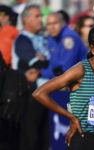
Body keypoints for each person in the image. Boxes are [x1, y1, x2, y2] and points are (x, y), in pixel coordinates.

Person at [33, 24, 94, 150]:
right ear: (93, 49)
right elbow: (39, 93)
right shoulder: (80, 70)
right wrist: (71, 117)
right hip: (83, 140)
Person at [12, 4, 50, 150]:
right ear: (26, 19)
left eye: (41, 16)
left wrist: (45, 61)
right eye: (37, 16)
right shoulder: (22, 40)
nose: (42, 20)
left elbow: (49, 62)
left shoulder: (42, 38)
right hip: (29, 94)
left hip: (45, 93)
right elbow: (37, 63)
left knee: (44, 137)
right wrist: (44, 61)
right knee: (30, 138)